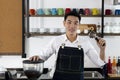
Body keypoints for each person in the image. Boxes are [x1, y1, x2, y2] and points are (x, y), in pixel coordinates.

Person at [29, 11, 106, 80]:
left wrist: (102, 49)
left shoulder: (85, 42)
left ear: (79, 25)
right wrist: (37, 57)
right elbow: (43, 56)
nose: (72, 26)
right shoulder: (56, 40)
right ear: (64, 23)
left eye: (76, 23)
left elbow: (100, 63)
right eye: (69, 22)